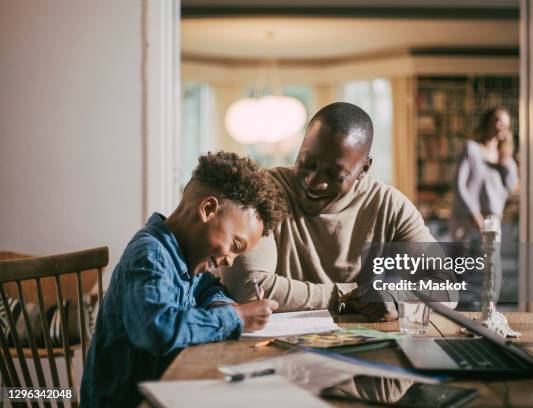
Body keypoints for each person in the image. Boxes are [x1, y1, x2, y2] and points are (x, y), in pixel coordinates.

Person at [81, 152, 287, 407]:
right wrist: (237, 317)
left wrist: (221, 304)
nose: (230, 260)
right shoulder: (149, 255)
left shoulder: (185, 258)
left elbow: (207, 287)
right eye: (234, 244)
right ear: (208, 209)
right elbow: (157, 329)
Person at [224, 102, 454, 322]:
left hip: (361, 348)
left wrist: (397, 298)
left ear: (364, 168)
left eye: (334, 174)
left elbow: (446, 288)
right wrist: (345, 296)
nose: (314, 182)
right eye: (307, 163)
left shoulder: (389, 205)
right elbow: (248, 289)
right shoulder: (262, 191)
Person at [450, 107, 518, 242]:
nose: (501, 126)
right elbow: (459, 185)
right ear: (488, 122)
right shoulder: (472, 149)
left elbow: (511, 188)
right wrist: (474, 214)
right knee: (460, 262)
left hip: (491, 220)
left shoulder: (506, 158)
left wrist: (508, 168)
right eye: (498, 120)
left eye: (505, 124)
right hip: (465, 218)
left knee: (491, 263)